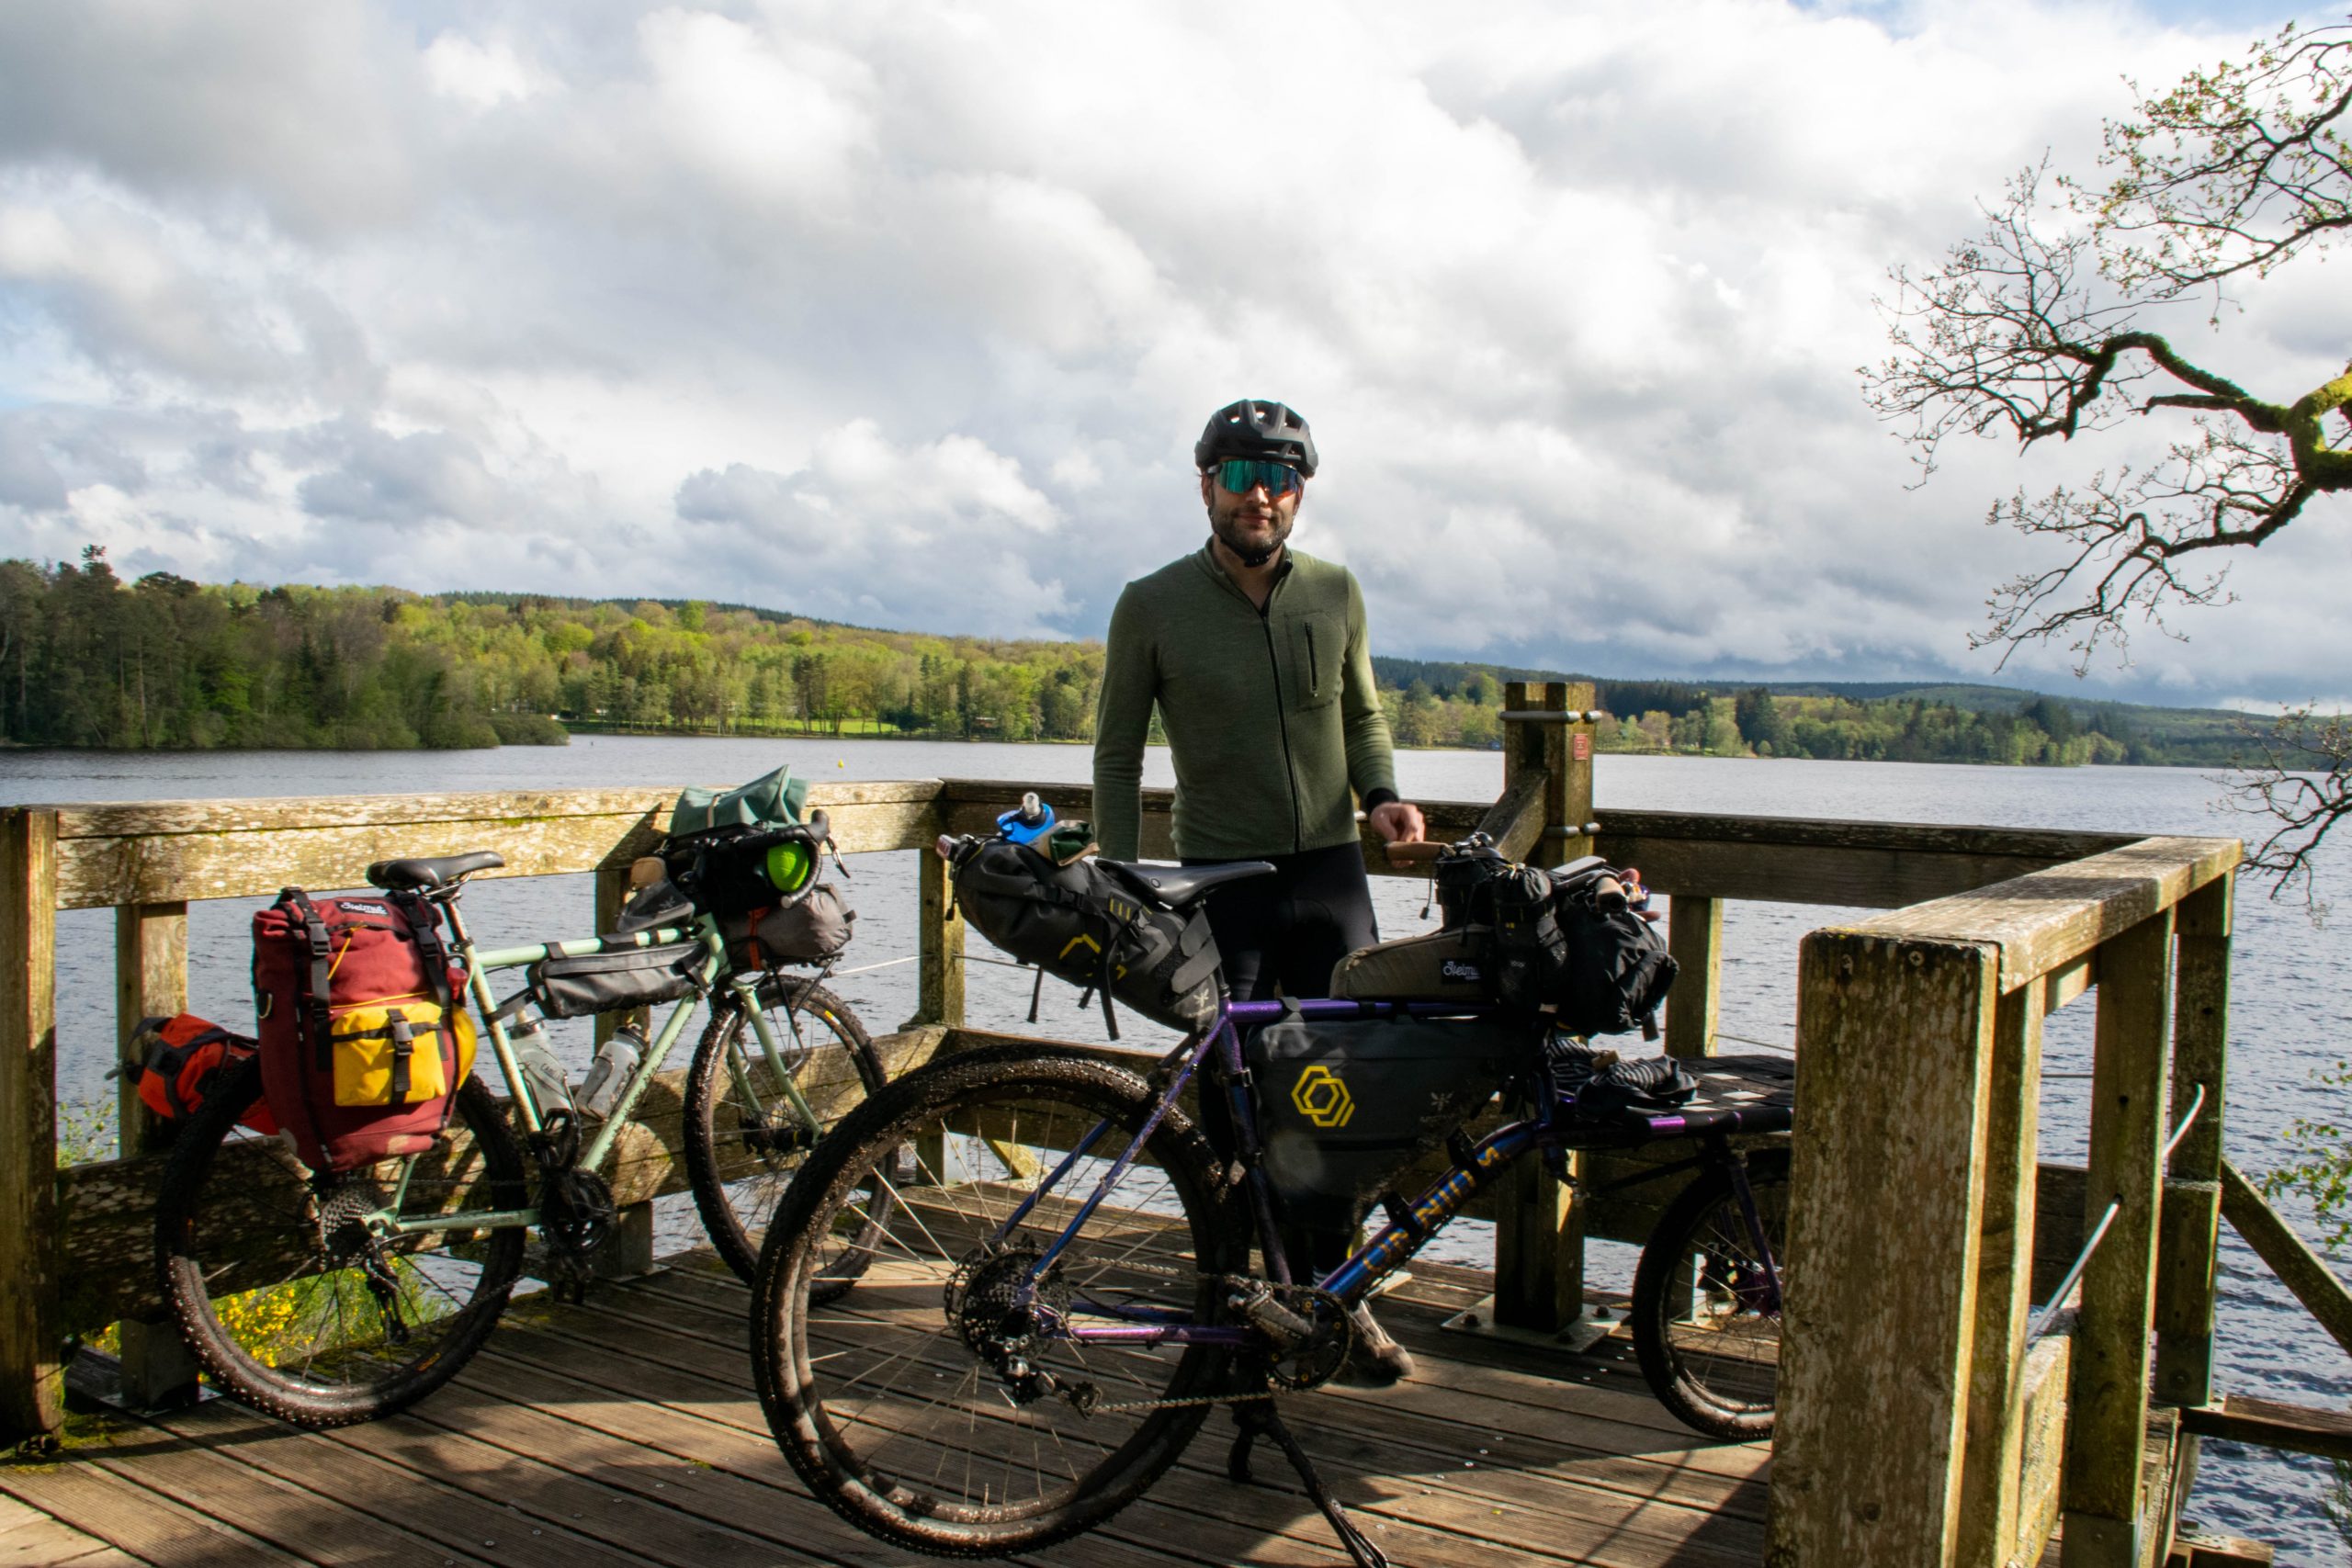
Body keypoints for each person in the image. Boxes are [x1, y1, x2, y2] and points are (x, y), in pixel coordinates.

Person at [1092, 397, 1426, 1385]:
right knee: (1229, 1107)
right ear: (1206, 486)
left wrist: (1382, 797)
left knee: (1346, 1091)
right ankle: (1235, 1297)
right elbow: (1117, 756)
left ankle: (1338, 1297)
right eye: (1240, 476)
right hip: (1221, 880)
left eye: (1279, 479)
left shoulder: (1334, 590)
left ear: (1299, 493)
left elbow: (1361, 716)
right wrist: (1124, 879)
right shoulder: (1151, 604)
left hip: (1330, 874)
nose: (1260, 497)